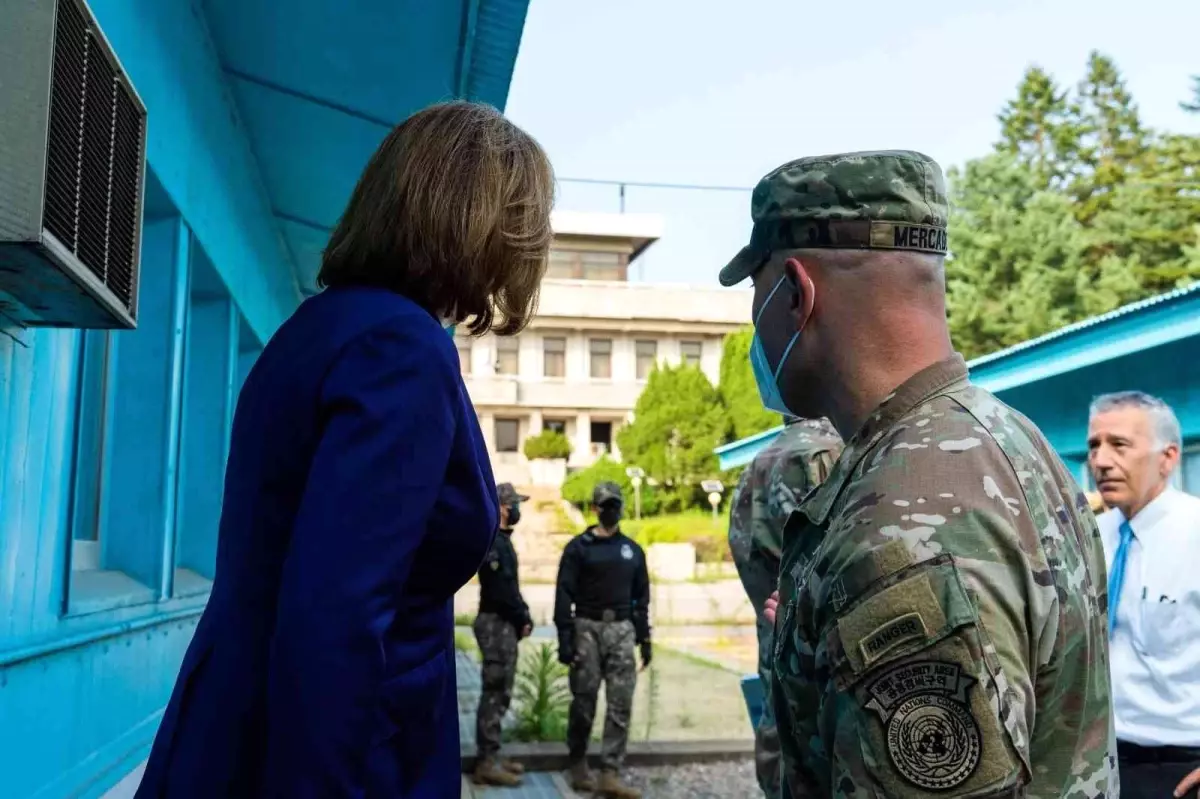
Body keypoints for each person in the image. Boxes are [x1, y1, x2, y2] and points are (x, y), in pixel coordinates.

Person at [136, 101, 554, 799]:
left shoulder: (321, 327)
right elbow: (337, 613)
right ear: (476, 221)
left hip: (243, 727)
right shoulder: (403, 347)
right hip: (332, 754)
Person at [724, 150, 1117, 797]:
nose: (754, 323)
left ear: (796, 293)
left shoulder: (898, 527)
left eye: (755, 293)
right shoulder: (1011, 438)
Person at [1088, 391, 1200, 799]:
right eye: (1094, 445)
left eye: (1119, 445)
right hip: (1102, 763)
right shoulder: (1094, 538)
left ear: (1168, 458)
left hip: (1182, 769)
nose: (1100, 461)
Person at [727, 416, 843, 798]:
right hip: (827, 642)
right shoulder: (827, 453)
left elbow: (745, 553)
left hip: (774, 630)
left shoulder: (755, 466)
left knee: (779, 723)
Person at [555, 482, 651, 799]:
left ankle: (610, 772)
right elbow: (563, 595)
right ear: (594, 509)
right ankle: (578, 763)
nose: (610, 510)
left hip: (622, 629)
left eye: (615, 504)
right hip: (587, 628)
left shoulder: (633, 551)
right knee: (584, 701)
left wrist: (644, 639)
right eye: (605, 505)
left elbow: (642, 599)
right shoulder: (578, 548)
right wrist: (565, 638)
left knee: (620, 703)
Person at [472, 482, 535, 787]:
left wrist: (523, 615)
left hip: (503, 622)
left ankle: (493, 754)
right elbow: (500, 591)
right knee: (495, 690)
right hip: (496, 623)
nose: (518, 509)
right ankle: (486, 762)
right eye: (514, 504)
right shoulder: (494, 543)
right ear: (502, 508)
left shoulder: (503, 542)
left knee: (501, 691)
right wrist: (521, 616)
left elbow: (511, 588)